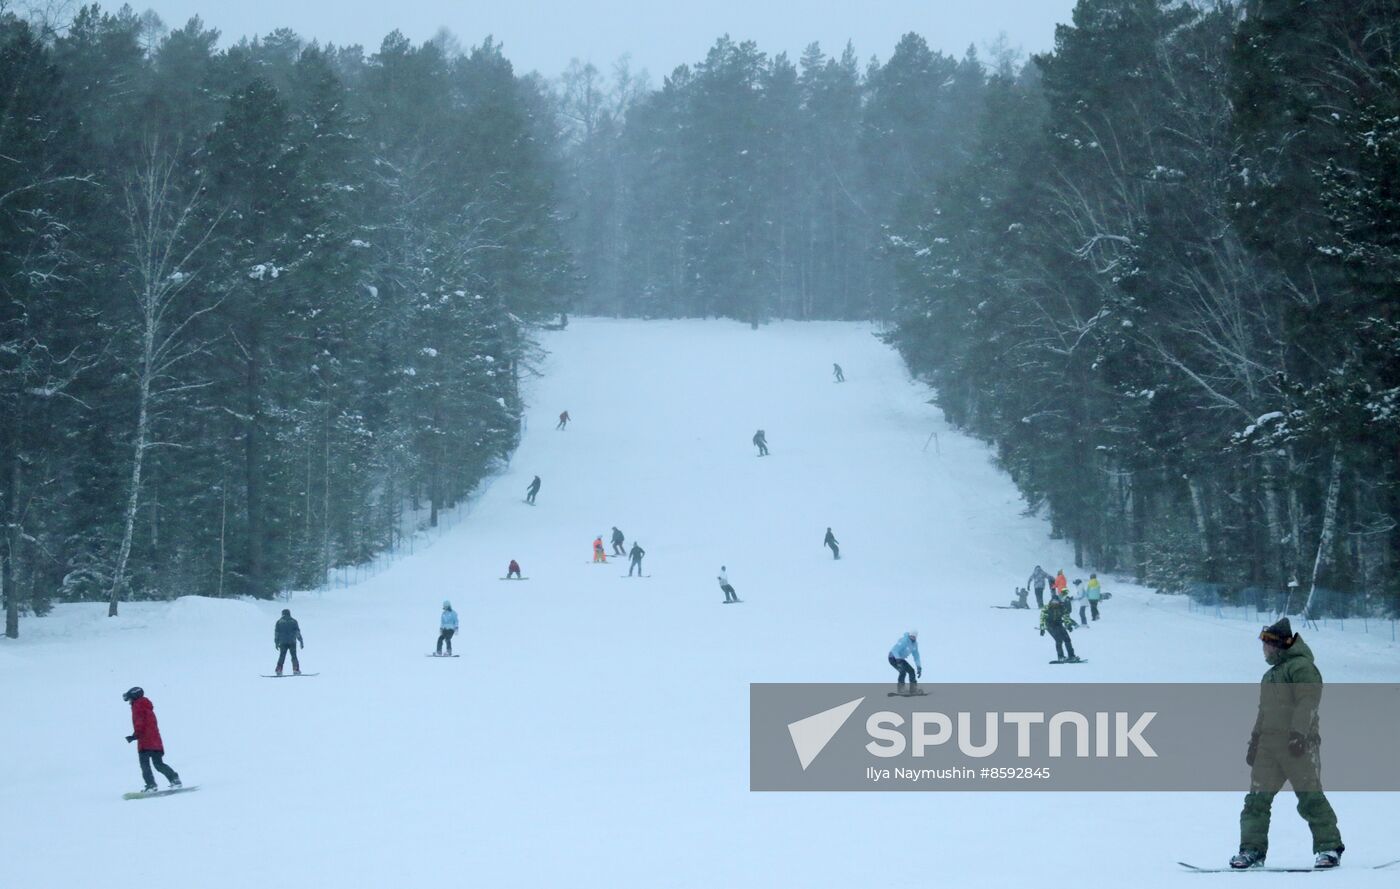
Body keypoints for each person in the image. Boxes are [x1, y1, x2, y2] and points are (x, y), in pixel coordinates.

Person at [1230, 618, 1344, 870]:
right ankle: (1251, 851)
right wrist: (1255, 741)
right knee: (1255, 801)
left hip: (1297, 746)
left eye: (1266, 645)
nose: (1263, 650)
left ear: (1277, 645)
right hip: (1269, 748)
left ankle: (1328, 848)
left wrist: (1299, 734)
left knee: (1310, 797)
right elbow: (1264, 712)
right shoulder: (1270, 675)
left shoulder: (1301, 668)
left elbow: (1308, 702)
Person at [123, 687, 181, 793]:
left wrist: (135, 736)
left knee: (145, 765)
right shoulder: (147, 707)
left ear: (134, 697)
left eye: (130, 699)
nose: (129, 702)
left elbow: (139, 723)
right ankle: (174, 779)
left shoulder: (137, 706)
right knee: (158, 764)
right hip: (155, 741)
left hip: (145, 742)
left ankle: (151, 785)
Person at [1039, 593, 1079, 663]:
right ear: (1051, 601)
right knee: (1059, 640)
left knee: (1067, 639)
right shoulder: (1046, 608)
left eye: (1056, 602)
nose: (1055, 603)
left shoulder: (1062, 607)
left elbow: (1066, 617)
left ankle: (1071, 656)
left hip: (1059, 624)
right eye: (1053, 602)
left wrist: (1068, 625)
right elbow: (1042, 618)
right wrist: (1042, 628)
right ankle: (1060, 656)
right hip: (1050, 625)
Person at [274, 608, 303, 676]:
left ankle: (279, 670)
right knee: (294, 656)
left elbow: (276, 633)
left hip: (283, 642)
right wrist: (301, 641)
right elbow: (297, 632)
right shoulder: (294, 621)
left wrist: (276, 642)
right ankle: (296, 669)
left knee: (282, 656)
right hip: (292, 641)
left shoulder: (279, 622)